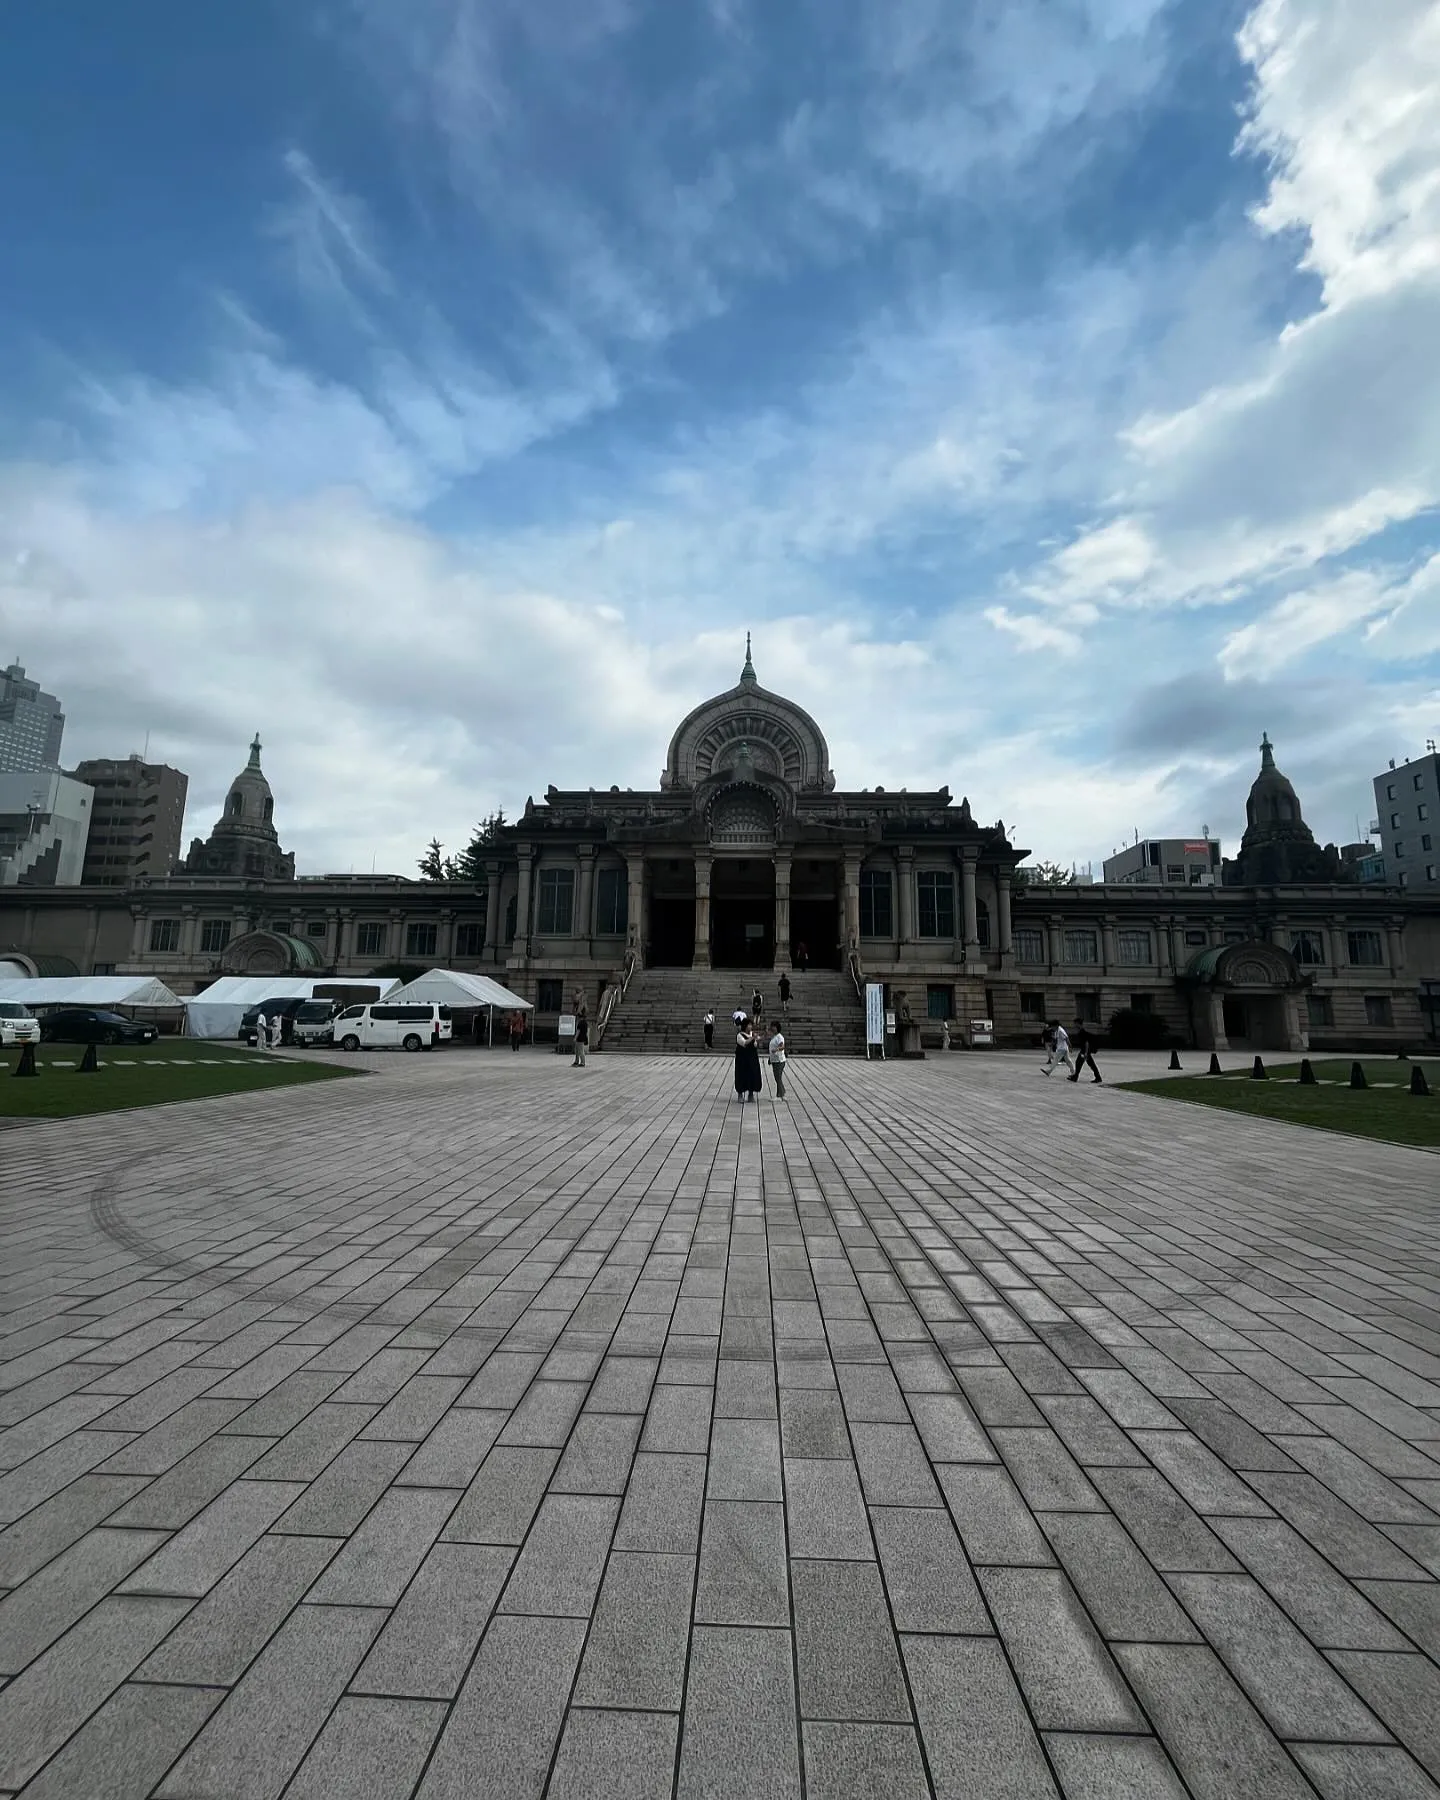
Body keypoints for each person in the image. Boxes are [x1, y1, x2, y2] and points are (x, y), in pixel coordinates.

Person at [734, 1014, 763, 1104]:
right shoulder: (740, 1035)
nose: (750, 1026)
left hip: (752, 1058)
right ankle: (740, 1094)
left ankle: (751, 1094)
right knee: (741, 1075)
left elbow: (756, 1043)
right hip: (742, 1059)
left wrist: (761, 1036)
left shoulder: (752, 1034)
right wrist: (753, 1038)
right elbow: (744, 1043)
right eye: (749, 1025)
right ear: (745, 1026)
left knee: (752, 1074)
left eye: (751, 1025)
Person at [1068, 1019, 1102, 1084]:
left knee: (1079, 1063)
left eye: (1075, 1023)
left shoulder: (1082, 1032)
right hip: (1085, 1050)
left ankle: (1075, 1077)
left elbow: (1086, 1043)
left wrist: (1086, 1052)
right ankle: (1098, 1077)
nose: (1074, 1025)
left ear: (1078, 1024)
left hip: (1084, 1051)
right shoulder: (1081, 1031)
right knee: (1091, 1064)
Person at [767, 1023, 788, 1099]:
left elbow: (782, 1046)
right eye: (772, 1026)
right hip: (774, 1060)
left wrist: (777, 1049)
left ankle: (780, 1095)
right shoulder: (774, 1037)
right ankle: (781, 1092)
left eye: (774, 1027)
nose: (773, 1028)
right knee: (777, 1077)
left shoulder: (779, 1037)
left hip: (779, 1060)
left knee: (778, 1077)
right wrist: (770, 1058)